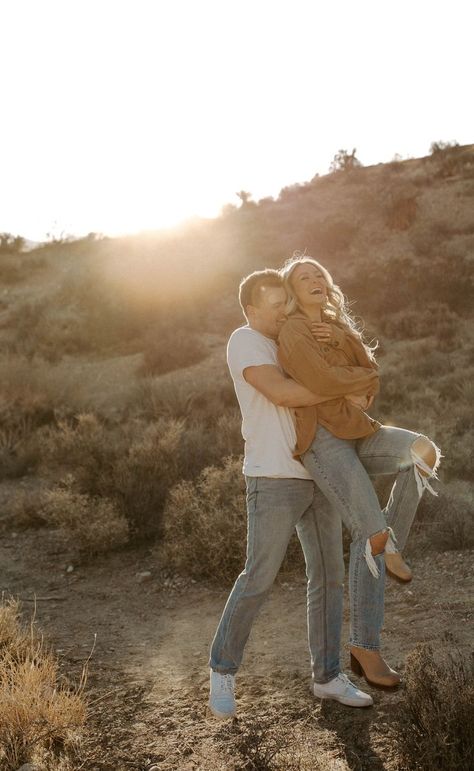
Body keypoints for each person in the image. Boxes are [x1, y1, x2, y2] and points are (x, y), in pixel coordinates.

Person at [208, 269, 374, 719]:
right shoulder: (244, 340)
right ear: (250, 309)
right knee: (258, 577)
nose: (285, 310)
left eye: (287, 301)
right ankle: (222, 669)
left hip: (317, 470)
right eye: (275, 304)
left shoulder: (294, 337)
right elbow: (281, 392)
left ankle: (327, 677)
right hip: (272, 477)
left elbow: (348, 371)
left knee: (328, 577)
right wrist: (339, 387)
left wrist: (334, 343)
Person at [278, 254, 441, 687]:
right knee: (370, 537)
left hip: (359, 429)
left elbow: (372, 372)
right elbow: (322, 383)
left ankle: (390, 544)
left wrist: (347, 365)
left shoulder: (338, 326)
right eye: (302, 277)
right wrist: (351, 381)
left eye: (319, 274)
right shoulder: (293, 329)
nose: (313, 279)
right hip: (324, 441)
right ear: (291, 291)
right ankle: (366, 649)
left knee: (423, 452)